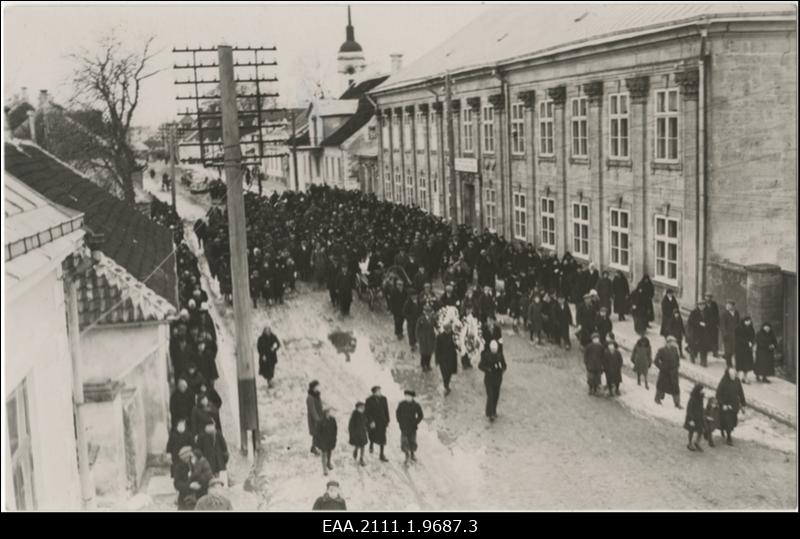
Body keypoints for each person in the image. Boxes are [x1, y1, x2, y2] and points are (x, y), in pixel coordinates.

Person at [716, 367, 746, 446]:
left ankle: (724, 430)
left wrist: (743, 403)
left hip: (734, 405)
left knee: (733, 422)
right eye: (732, 374)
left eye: (734, 374)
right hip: (726, 406)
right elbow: (718, 395)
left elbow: (741, 392)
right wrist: (722, 404)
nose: (733, 376)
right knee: (728, 422)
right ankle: (729, 437)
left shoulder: (737, 381)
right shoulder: (724, 382)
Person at [479, 340, 507, 421]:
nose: (494, 351)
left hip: (498, 379)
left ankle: (494, 410)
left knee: (496, 396)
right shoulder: (486, 355)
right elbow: (480, 365)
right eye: (493, 350)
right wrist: (487, 369)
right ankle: (490, 413)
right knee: (490, 396)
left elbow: (504, 365)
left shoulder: (500, 355)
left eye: (495, 350)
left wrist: (502, 369)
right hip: (489, 379)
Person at [396, 390, 424, 466]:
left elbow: (421, 415)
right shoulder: (401, 404)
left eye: (408, 396)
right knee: (404, 441)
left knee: (412, 441)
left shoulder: (416, 405)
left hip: (412, 427)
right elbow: (398, 413)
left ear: (412, 397)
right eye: (406, 396)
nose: (407, 397)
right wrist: (400, 421)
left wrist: (415, 422)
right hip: (404, 426)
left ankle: (412, 454)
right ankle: (406, 454)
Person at [655, 336, 682, 408]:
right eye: (671, 342)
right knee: (661, 386)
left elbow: (677, 359)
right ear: (667, 342)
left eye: (673, 343)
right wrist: (662, 368)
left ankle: (677, 403)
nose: (672, 344)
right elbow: (656, 361)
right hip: (665, 372)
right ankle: (657, 399)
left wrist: (677, 366)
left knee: (675, 388)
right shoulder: (661, 350)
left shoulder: (675, 350)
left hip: (673, 373)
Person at [364, 386, 390, 462]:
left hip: (382, 422)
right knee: (372, 435)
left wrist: (387, 420)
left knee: (382, 438)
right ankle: (371, 444)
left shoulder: (384, 399)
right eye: (378, 391)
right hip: (373, 422)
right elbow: (367, 412)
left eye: (380, 391)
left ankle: (381, 454)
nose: (380, 392)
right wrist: (371, 421)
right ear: (374, 392)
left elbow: (386, 410)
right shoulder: (369, 400)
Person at [435, 322, 458, 396]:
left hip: (451, 358)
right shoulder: (440, 337)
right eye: (447, 329)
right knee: (444, 373)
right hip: (443, 359)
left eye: (450, 329)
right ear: (445, 329)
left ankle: (447, 384)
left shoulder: (453, 336)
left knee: (450, 372)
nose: (449, 330)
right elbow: (437, 349)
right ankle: (446, 386)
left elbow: (456, 345)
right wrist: (437, 359)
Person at [684, 384, 706, 452]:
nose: (703, 391)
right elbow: (689, 410)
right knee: (691, 430)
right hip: (692, 417)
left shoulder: (701, 398)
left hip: (699, 417)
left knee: (700, 430)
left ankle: (697, 442)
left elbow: (701, 408)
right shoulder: (692, 399)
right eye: (701, 390)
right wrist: (691, 419)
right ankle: (690, 443)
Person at [316, 407, 338, 476]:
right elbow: (318, 432)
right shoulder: (321, 421)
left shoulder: (333, 419)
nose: (328, 413)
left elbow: (335, 429)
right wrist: (319, 441)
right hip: (323, 441)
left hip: (330, 439)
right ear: (324, 413)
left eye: (329, 412)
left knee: (329, 452)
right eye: (327, 412)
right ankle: (324, 469)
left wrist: (334, 438)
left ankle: (328, 463)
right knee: (324, 454)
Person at [687, 300, 709, 367]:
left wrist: (707, 324)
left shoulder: (707, 312)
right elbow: (690, 321)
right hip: (695, 332)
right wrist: (699, 323)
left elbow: (710, 320)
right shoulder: (694, 312)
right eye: (700, 305)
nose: (701, 307)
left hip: (704, 333)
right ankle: (692, 357)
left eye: (703, 305)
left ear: (705, 306)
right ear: (698, 305)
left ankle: (703, 361)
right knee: (694, 346)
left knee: (704, 347)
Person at [415, 305, 436, 372]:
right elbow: (417, 330)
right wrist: (419, 338)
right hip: (423, 339)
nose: (428, 313)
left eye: (429, 312)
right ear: (424, 312)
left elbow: (433, 328)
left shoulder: (432, 319)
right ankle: (423, 365)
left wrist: (434, 338)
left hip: (430, 338)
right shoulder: (421, 319)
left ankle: (428, 364)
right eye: (427, 312)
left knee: (429, 353)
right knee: (423, 353)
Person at [735, 317, 756, 382]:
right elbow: (738, 338)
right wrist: (747, 342)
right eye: (747, 321)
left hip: (747, 349)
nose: (748, 322)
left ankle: (745, 377)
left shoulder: (751, 328)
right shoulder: (738, 328)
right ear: (743, 321)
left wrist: (752, 342)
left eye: (749, 321)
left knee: (747, 364)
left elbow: (753, 336)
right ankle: (737, 377)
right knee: (739, 363)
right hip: (740, 348)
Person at [720, 300, 740, 369]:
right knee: (728, 350)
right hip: (727, 335)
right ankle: (728, 364)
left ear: (733, 306)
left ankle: (729, 360)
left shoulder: (736, 313)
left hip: (735, 335)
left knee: (732, 350)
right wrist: (724, 333)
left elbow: (738, 322)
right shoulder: (724, 314)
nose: (728, 306)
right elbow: (722, 325)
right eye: (727, 305)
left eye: (729, 305)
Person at [348, 402, 368, 466]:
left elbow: (366, 421)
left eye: (363, 407)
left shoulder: (364, 414)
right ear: (357, 408)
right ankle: (356, 450)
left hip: (363, 432)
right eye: (361, 407)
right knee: (358, 444)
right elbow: (350, 425)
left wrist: (367, 427)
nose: (363, 409)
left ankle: (361, 459)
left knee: (363, 445)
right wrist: (352, 434)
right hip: (356, 434)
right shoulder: (354, 415)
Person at [307, 380, 324, 455]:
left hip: (319, 416)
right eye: (317, 386)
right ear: (313, 387)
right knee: (315, 433)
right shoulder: (310, 397)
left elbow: (320, 406)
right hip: (314, 419)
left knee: (317, 433)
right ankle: (314, 448)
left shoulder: (317, 395)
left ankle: (314, 447)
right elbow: (312, 409)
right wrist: (317, 419)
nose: (318, 388)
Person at [704, 293, 721, 357]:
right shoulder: (703, 304)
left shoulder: (714, 304)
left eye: (710, 297)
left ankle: (715, 352)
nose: (708, 298)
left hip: (713, 324)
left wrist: (717, 323)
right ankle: (705, 351)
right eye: (707, 297)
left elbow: (717, 314)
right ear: (705, 297)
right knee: (705, 338)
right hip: (706, 324)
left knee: (714, 339)